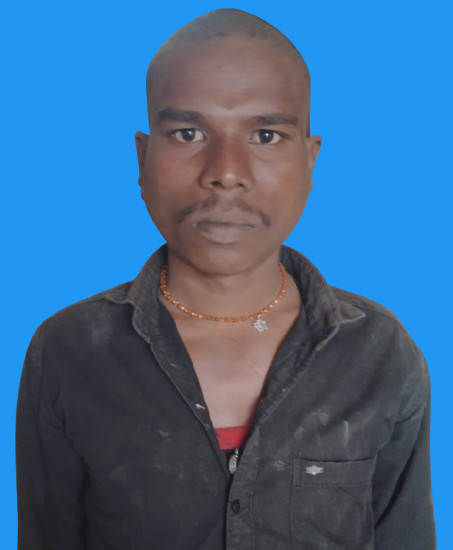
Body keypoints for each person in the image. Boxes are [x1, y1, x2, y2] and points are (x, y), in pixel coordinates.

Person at [16, 8, 436, 550]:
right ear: (143, 158)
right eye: (188, 133)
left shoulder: (379, 353)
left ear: (310, 161)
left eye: (265, 134)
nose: (226, 171)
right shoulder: (70, 351)